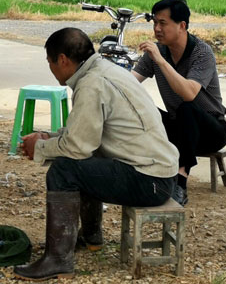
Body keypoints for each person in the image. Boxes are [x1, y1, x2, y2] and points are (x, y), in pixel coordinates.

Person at [14, 28, 178, 281]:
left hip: (149, 180)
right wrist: (48, 137)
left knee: (64, 170)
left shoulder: (91, 84)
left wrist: (40, 147)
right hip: (159, 174)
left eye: (49, 62)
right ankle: (91, 237)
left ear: (62, 60)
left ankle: (58, 260)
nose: (51, 68)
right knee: (82, 161)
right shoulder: (104, 69)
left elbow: (77, 147)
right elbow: (86, 134)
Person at [132, 0, 226, 206]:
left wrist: (160, 61)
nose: (157, 29)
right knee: (141, 107)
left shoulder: (201, 52)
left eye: (163, 23)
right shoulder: (157, 52)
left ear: (182, 25)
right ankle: (141, 172)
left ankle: (180, 183)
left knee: (187, 108)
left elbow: (189, 93)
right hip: (178, 127)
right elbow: (130, 82)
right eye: (154, 23)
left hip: (211, 129)